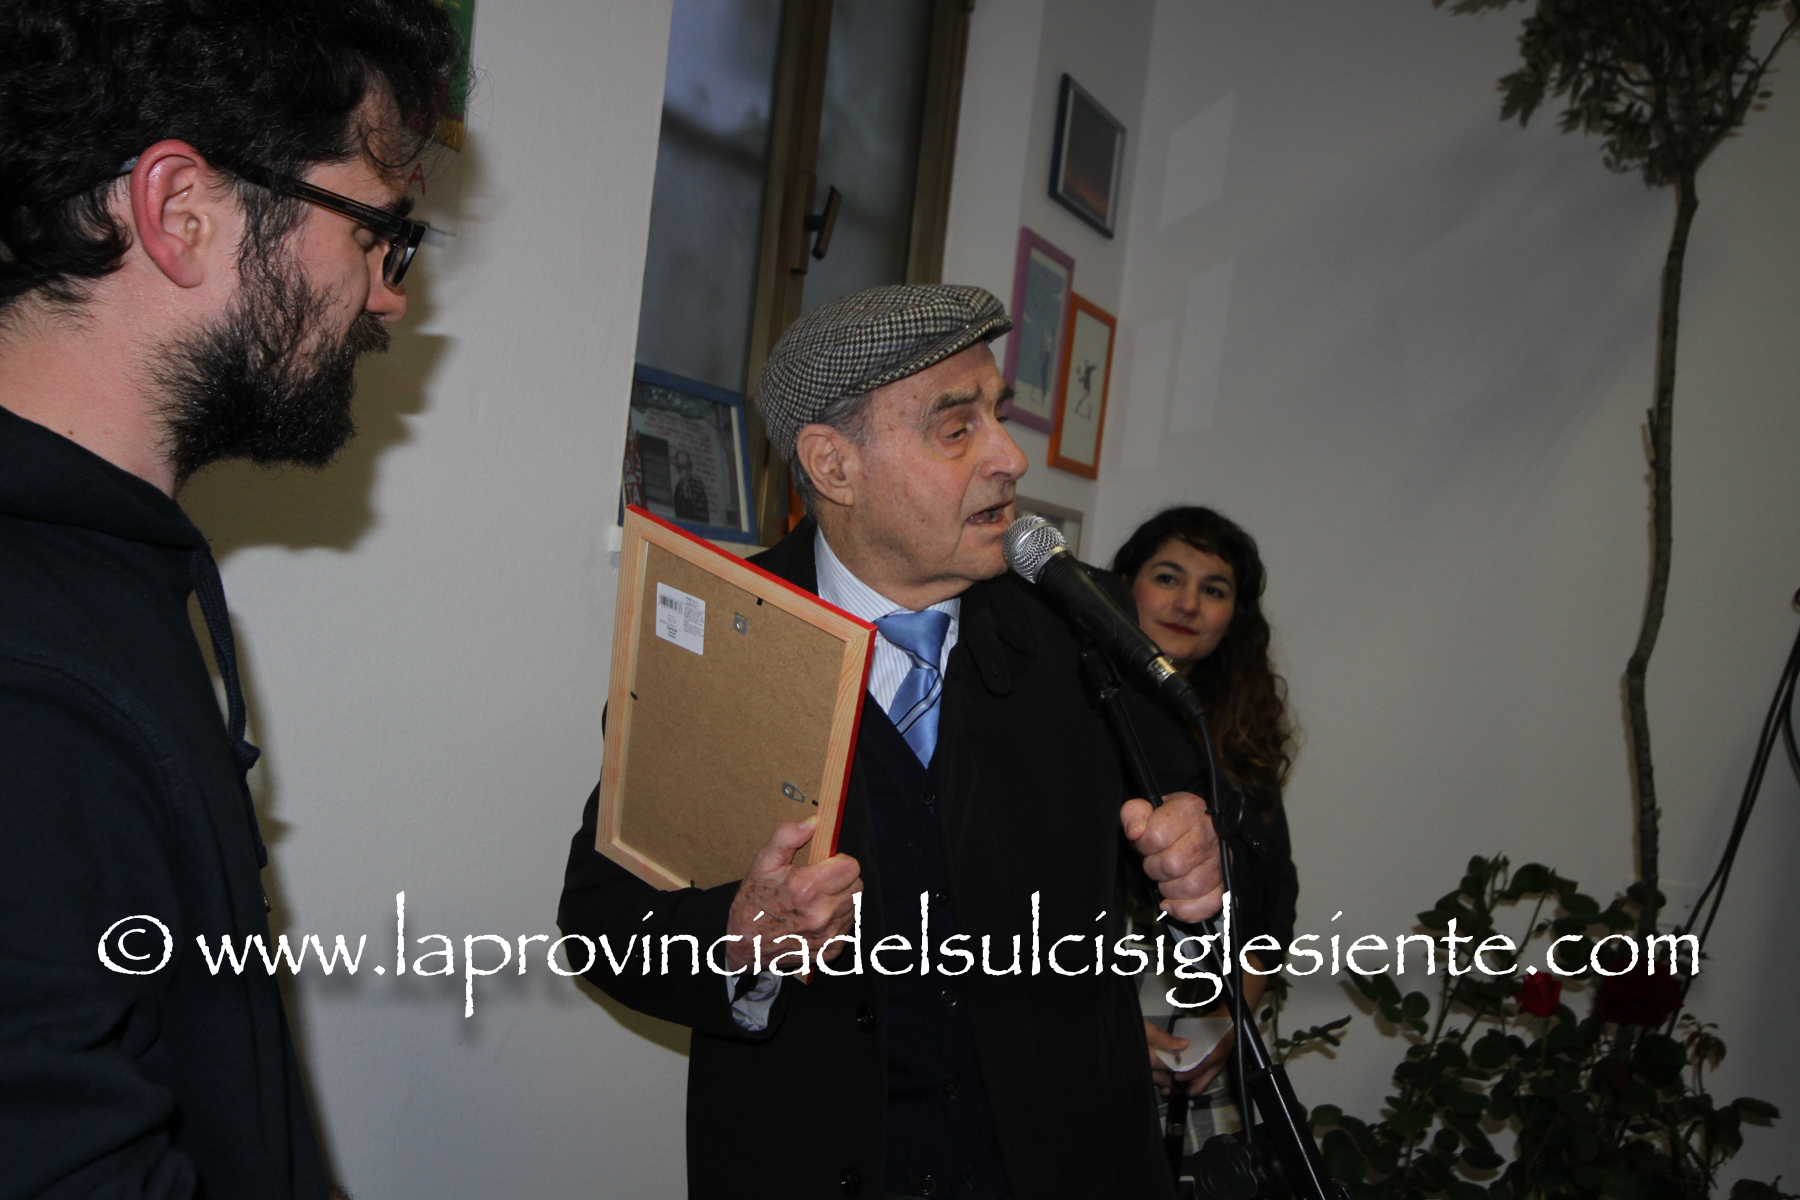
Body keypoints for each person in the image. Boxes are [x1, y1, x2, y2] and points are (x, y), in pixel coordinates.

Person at [560, 284, 1227, 1200]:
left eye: (998, 413)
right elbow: (603, 922)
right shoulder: (714, 637)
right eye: (957, 429)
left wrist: (1199, 860)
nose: (1009, 456)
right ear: (833, 465)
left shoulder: (1080, 619)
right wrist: (735, 938)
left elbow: (1205, 829)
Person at [0, 2, 458, 1194]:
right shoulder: (27, 674)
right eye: (374, 230)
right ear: (180, 212)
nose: (389, 296)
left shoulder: (110, 570)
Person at [1110, 507, 1299, 1131]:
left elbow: (1274, 903)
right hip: (1078, 1015)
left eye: (1213, 590)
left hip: (1208, 1039)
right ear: (1124, 584)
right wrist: (1104, 1024)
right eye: (1168, 577)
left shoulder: (1240, 736)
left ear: (1234, 618)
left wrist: (1226, 1024)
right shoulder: (1069, 706)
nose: (1187, 604)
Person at [672, 448, 711, 522]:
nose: (685, 471)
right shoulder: (677, 490)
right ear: (677, 468)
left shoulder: (699, 486)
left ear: (691, 466)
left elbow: (703, 515)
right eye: (681, 467)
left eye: (688, 466)